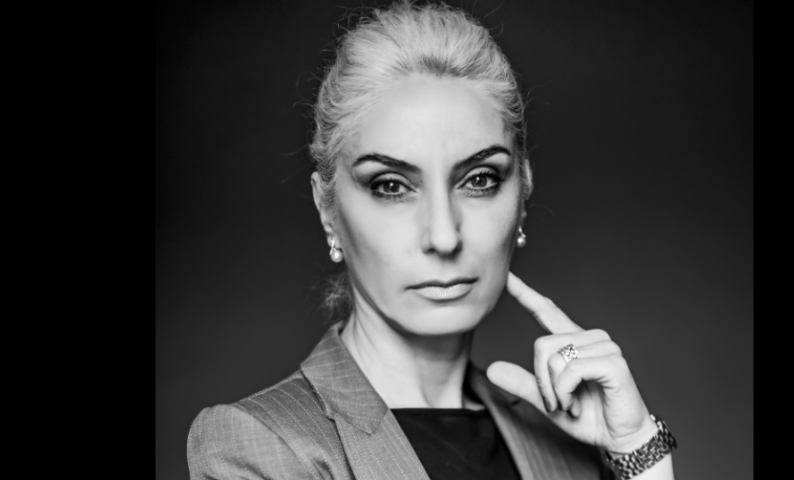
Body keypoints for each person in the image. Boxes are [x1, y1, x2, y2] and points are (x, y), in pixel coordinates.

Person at [187, 1, 676, 479]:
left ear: (523, 193)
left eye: (479, 180)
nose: (443, 236)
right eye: (391, 186)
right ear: (327, 209)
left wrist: (638, 449)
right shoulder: (260, 444)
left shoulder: (563, 437)